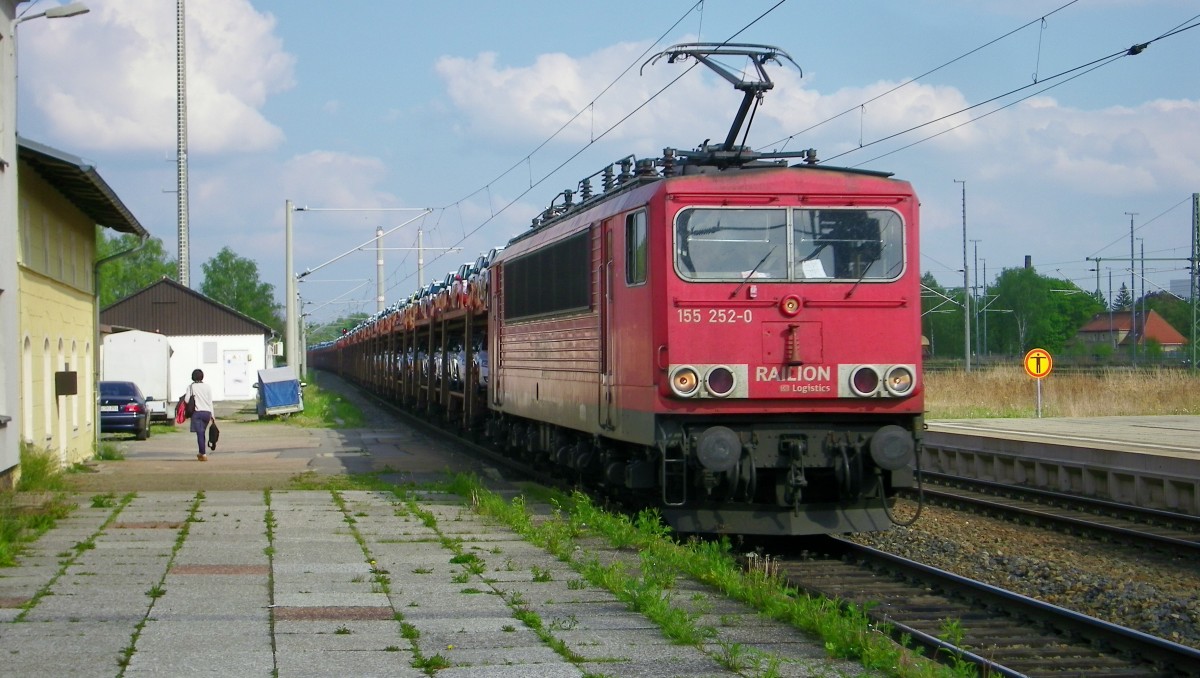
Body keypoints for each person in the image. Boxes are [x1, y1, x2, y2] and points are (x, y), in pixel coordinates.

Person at [183, 369, 215, 461]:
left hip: (197, 413)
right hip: (207, 413)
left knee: (200, 434)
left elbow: (186, 400)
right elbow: (210, 402)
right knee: (202, 433)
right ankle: (202, 452)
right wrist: (213, 415)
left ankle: (203, 453)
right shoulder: (207, 387)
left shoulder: (191, 387)